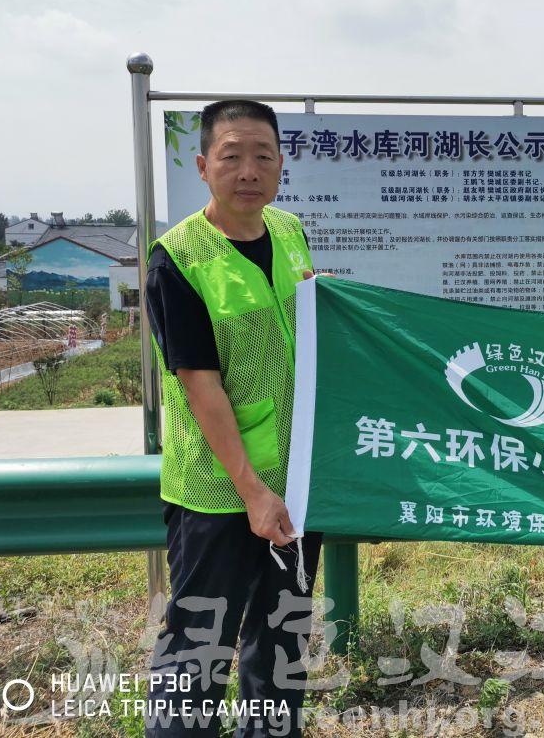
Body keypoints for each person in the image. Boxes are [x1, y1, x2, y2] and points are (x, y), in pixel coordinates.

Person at [144, 100, 322, 737]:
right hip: (219, 491)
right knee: (199, 645)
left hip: (294, 483)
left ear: (280, 165)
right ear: (202, 166)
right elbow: (201, 386)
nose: (249, 170)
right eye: (231, 156)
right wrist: (252, 492)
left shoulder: (291, 232)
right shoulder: (177, 259)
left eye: (263, 156)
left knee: (279, 642)